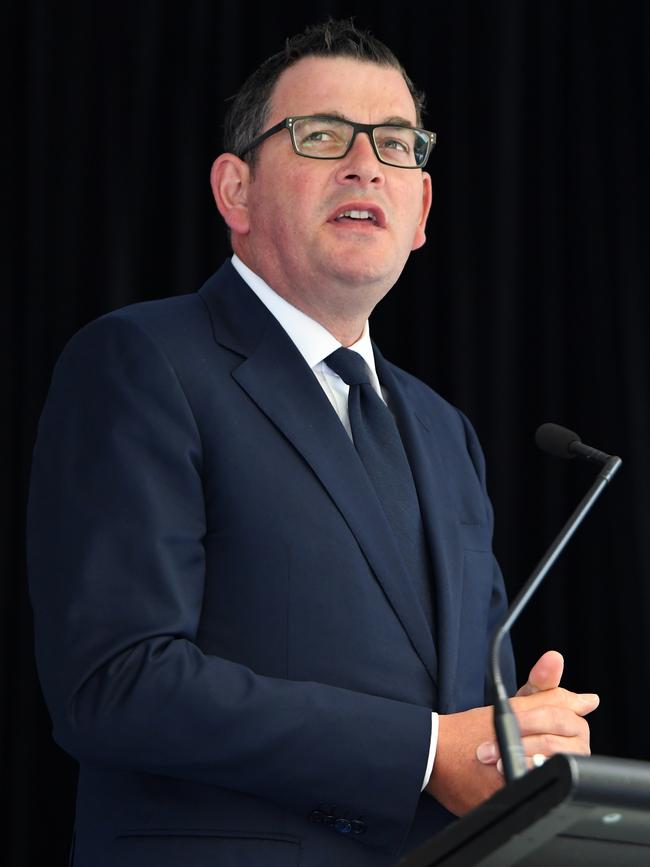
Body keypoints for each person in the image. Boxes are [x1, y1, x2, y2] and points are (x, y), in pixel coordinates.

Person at [27, 18, 598, 867]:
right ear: (236, 191)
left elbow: (458, 728)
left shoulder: (447, 433)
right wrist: (425, 751)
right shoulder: (143, 362)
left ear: (421, 213)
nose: (366, 163)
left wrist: (512, 741)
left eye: (397, 145)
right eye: (322, 135)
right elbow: (117, 682)